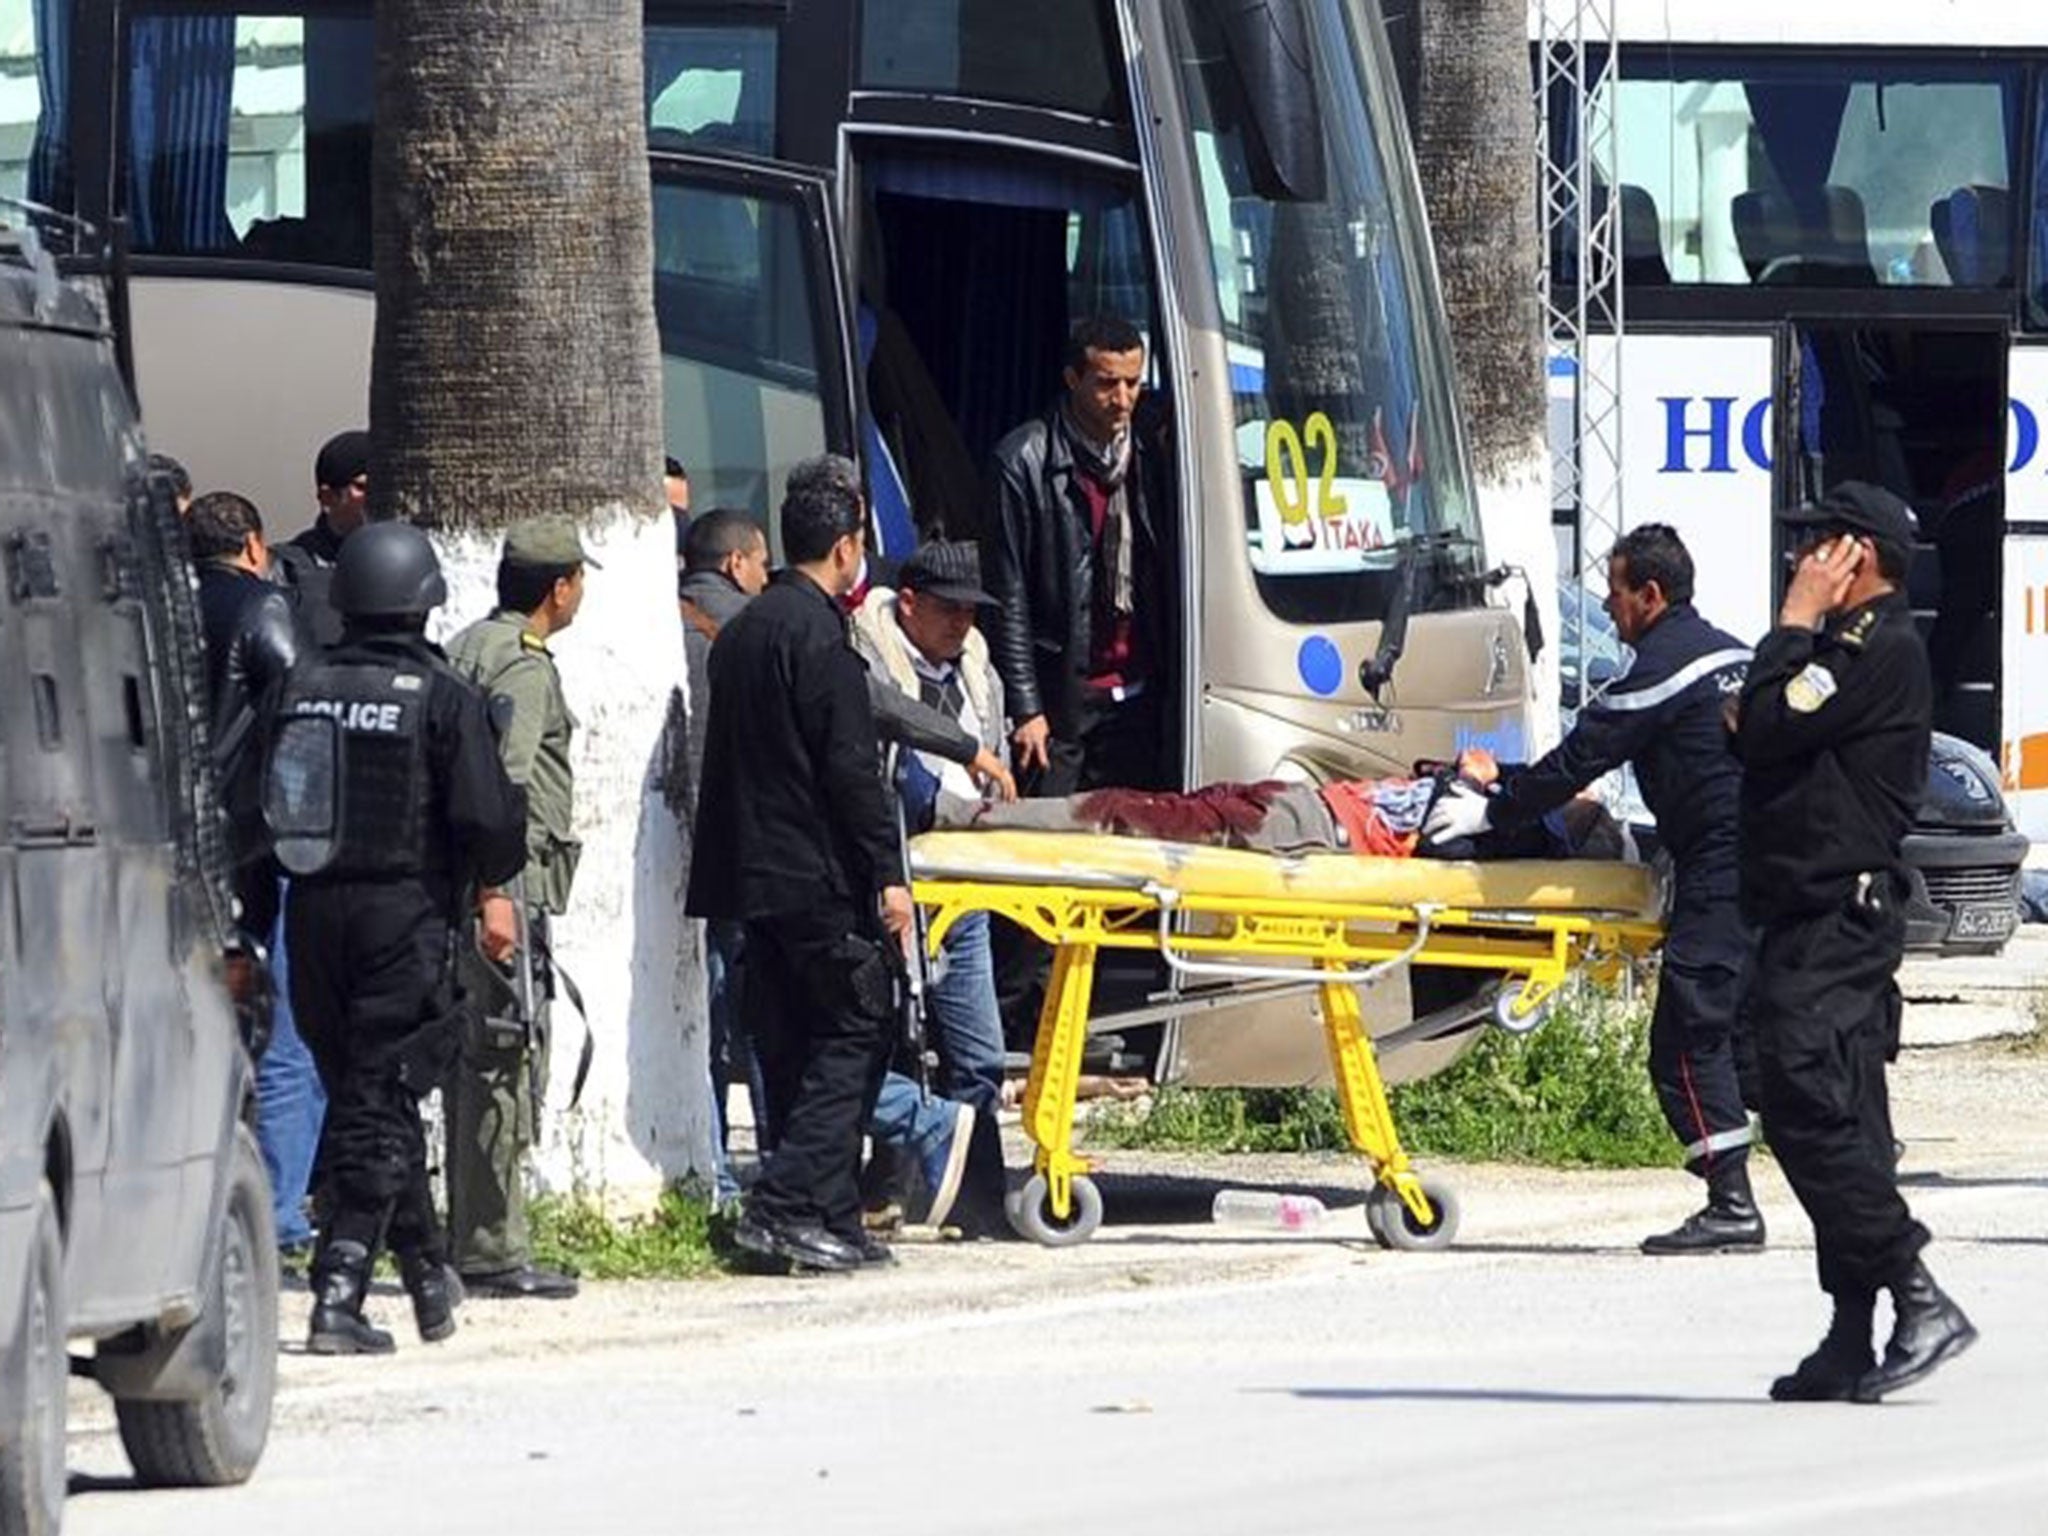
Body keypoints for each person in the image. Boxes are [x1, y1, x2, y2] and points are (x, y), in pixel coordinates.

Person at [1424, 525, 1763, 1255]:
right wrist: (1506, 786)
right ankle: (1838, 1171)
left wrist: (1493, 808)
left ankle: (1733, 1204)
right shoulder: (1736, 653)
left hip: (1723, 869)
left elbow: (1582, 757)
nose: (1607, 609)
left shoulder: (1659, 673)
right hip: (1779, 865)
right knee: (1754, 1033)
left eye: (1614, 593)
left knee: (1686, 1039)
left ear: (1651, 593)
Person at [1731, 481, 1976, 1403]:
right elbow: (1764, 731)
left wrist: (1791, 625)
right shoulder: (1843, 654)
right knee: (1845, 1116)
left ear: (1857, 556)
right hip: (1809, 912)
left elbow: (1761, 725)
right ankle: (1852, 1328)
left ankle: (1915, 1292)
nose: (1803, 564)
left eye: (1818, 547)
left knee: (1801, 1100)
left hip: (1837, 918)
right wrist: (1777, 693)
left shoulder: (1871, 648)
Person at [274, 522, 527, 1352]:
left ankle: (425, 1278)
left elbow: (258, 802)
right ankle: (338, 1291)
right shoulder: (443, 697)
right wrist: (493, 886)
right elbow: (488, 821)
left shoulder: (301, 684)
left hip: (310, 917)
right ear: (425, 603)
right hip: (402, 918)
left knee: (366, 1092)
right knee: (377, 1102)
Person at [684, 462, 915, 1274]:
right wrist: (887, 876)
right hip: (813, 872)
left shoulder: (745, 628)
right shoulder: (819, 636)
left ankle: (827, 1209)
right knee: (856, 1027)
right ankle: (785, 1202)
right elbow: (850, 770)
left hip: (751, 875)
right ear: (848, 548)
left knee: (787, 1044)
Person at [443, 517, 593, 1301]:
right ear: (558, 587)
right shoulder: (526, 667)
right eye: (578, 579)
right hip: (506, 886)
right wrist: (497, 890)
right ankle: (494, 1249)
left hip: (465, 886)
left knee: (473, 1059)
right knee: (504, 1058)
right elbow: (504, 785)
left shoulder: (468, 644)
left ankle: (467, 1234)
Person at [851, 541, 1013, 1232]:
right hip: (900, 874)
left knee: (976, 1049)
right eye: (948, 610)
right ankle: (884, 1188)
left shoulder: (980, 670)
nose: (961, 625)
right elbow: (887, 771)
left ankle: (980, 1195)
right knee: (894, 1040)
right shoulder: (868, 659)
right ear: (909, 603)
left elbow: (996, 756)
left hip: (967, 876)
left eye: (971, 613)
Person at [188, 490, 325, 1263]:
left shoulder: (159, 607)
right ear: (252, 545)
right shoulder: (263, 608)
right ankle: (277, 1214)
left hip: (175, 852)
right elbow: (302, 711)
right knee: (285, 1041)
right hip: (256, 852)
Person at [984, 314, 1171, 796]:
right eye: (1108, 384)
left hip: (1141, 694)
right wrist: (1025, 707)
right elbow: (1007, 596)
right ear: (1072, 379)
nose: (1124, 399)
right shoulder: (1022, 460)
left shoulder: (1154, 449)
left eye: (1134, 383)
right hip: (1063, 700)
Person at [273, 429, 371, 649]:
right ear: (328, 496)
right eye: (363, 487)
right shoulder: (287, 568)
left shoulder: (411, 560)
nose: (377, 495)